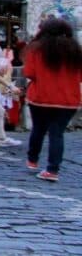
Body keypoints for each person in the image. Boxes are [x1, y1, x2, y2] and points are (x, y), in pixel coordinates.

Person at [23, 17, 82, 182]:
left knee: (38, 129)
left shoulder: (36, 49)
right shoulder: (75, 51)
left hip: (41, 98)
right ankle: (52, 169)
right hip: (68, 99)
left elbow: (29, 73)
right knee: (57, 134)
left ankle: (32, 160)